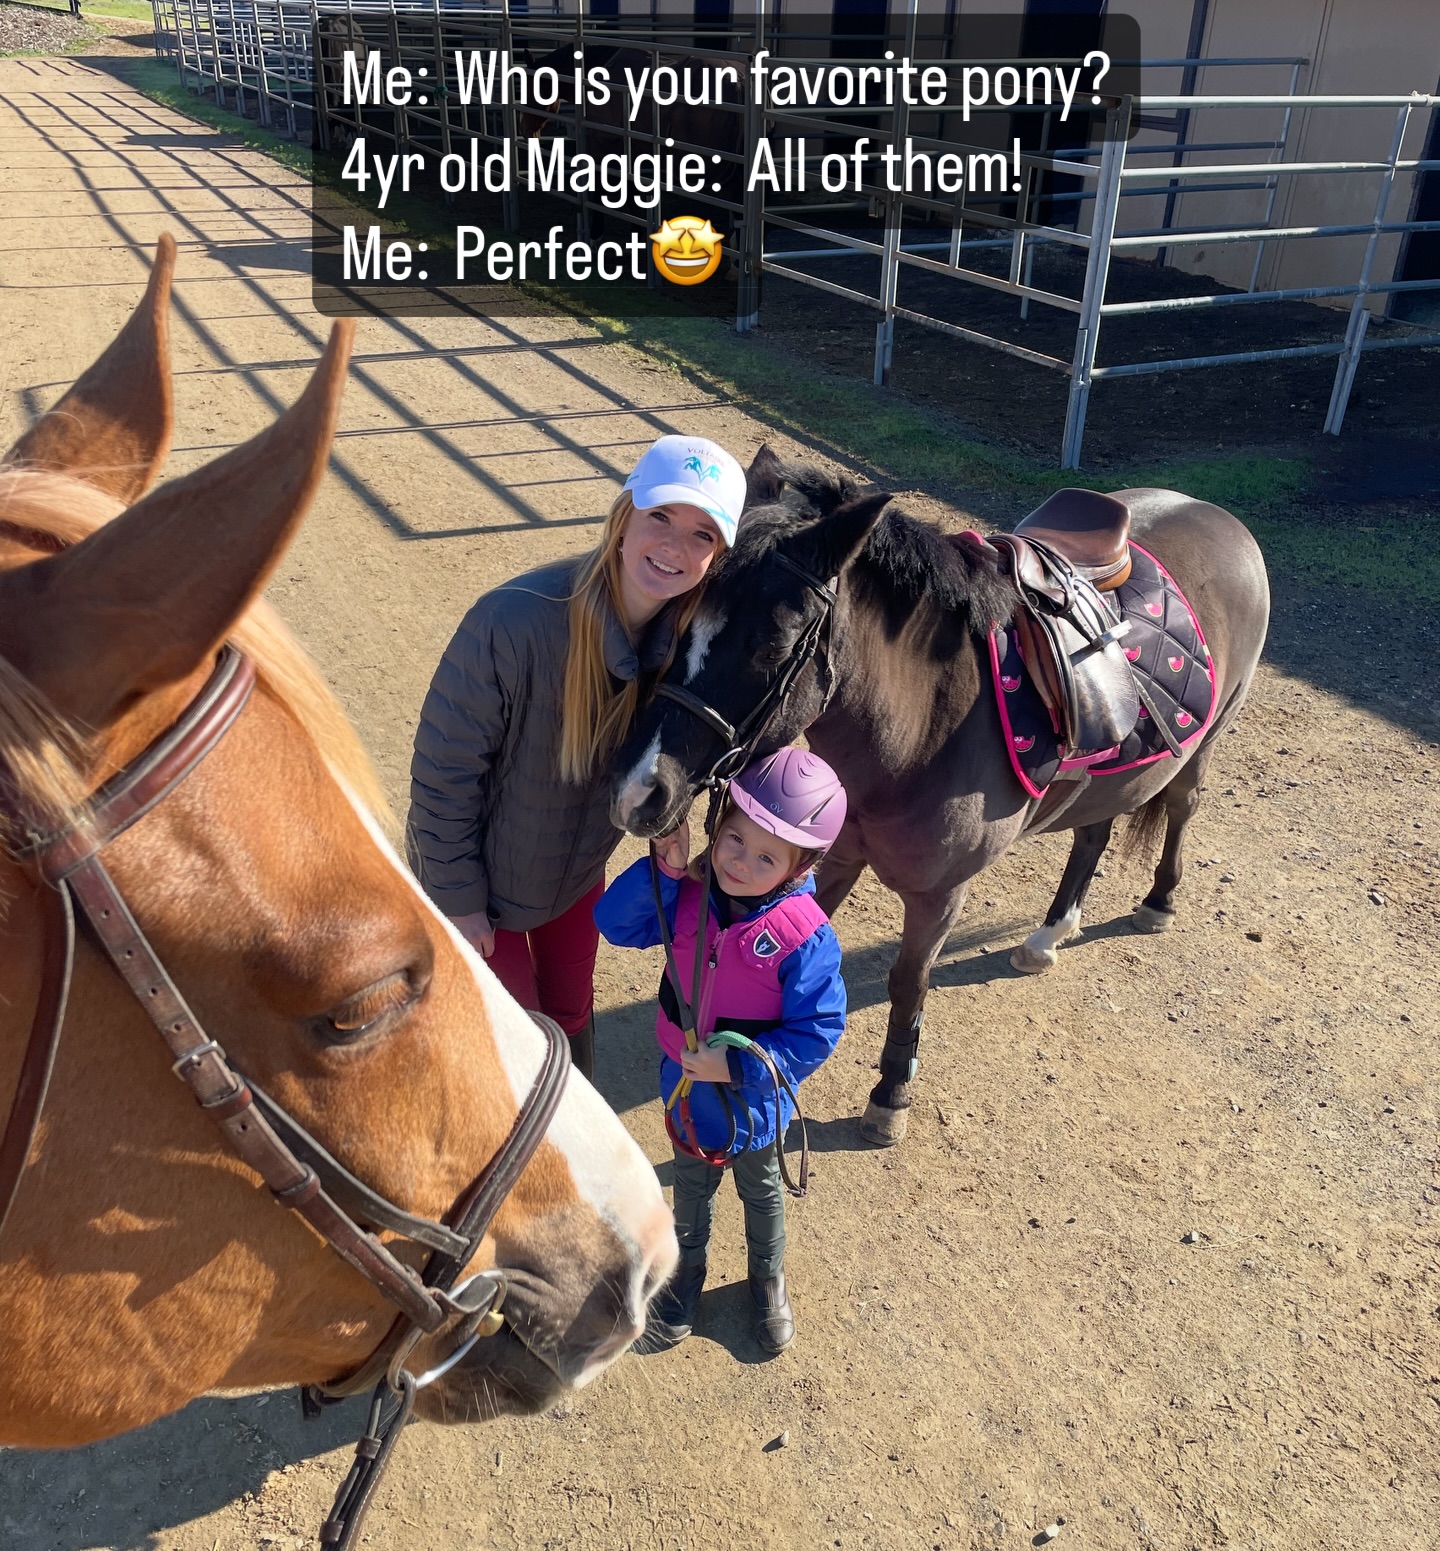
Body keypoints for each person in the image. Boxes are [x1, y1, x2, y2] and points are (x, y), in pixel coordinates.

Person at [407, 436, 746, 1078]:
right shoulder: (512, 622)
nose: (675, 546)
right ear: (624, 518)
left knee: (568, 1011)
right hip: (480, 887)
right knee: (513, 1051)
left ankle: (577, 1110)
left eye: (703, 535)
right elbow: (444, 777)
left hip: (574, 876)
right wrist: (457, 899)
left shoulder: (686, 651)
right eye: (661, 517)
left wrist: (674, 818)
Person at [594, 747, 848, 1355]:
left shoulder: (806, 938)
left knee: (760, 1193)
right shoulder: (685, 894)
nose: (740, 863)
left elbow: (818, 1028)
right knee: (692, 1188)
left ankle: (767, 1277)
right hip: (685, 1093)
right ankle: (687, 1275)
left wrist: (736, 1065)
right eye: (734, 840)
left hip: (753, 1104)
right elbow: (615, 923)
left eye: (766, 857)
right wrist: (661, 867)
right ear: (717, 824)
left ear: (798, 867)